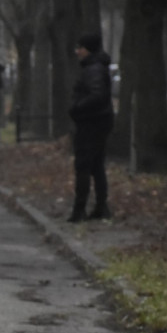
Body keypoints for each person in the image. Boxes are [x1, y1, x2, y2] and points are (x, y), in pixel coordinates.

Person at [68, 33, 114, 222]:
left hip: (91, 123)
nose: (77, 51)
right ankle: (101, 207)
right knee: (96, 166)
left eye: (81, 48)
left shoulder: (93, 70)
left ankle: (80, 210)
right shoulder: (97, 67)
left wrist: (77, 107)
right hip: (98, 122)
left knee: (84, 166)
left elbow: (97, 95)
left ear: (89, 49)